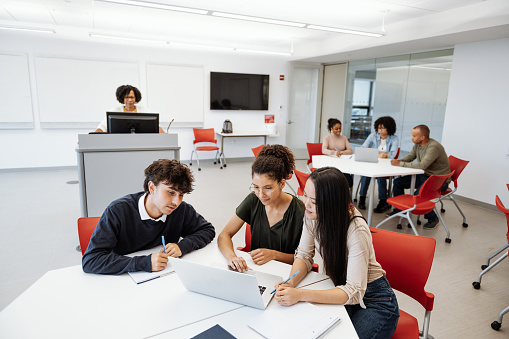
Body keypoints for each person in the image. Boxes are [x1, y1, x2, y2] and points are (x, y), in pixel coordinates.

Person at [274, 167, 399, 339]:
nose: (306, 204)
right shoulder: (313, 215)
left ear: (331, 204)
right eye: (305, 195)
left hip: (375, 300)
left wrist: (300, 295)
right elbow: (303, 255)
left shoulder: (356, 230)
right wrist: (291, 283)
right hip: (340, 288)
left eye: (314, 201)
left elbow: (354, 291)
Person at [82, 159, 215, 275]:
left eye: (181, 195)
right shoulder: (118, 211)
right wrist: (144, 262)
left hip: (163, 278)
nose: (176, 201)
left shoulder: (181, 210)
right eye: (170, 192)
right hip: (124, 282)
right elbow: (91, 260)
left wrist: (182, 246)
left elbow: (207, 230)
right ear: (152, 188)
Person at [218, 144, 305, 272]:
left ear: (282, 183)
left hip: (286, 276)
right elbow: (224, 235)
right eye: (256, 187)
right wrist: (231, 257)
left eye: (268, 188)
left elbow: (305, 259)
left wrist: (274, 255)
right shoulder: (253, 200)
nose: (260, 194)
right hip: (255, 271)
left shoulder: (299, 212)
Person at [387, 124, 451, 230]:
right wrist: (398, 161)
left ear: (422, 137)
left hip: (438, 180)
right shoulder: (417, 144)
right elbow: (410, 157)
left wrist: (400, 164)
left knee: (419, 195)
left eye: (414, 136)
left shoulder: (433, 147)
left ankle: (433, 218)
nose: (411, 138)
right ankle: (400, 210)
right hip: (425, 175)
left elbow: (423, 165)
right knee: (398, 182)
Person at [358, 116, 399, 212]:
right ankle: (362, 198)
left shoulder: (394, 138)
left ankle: (383, 201)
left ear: (389, 128)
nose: (379, 130)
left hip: (386, 166)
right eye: (378, 128)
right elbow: (363, 148)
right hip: (372, 163)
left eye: (382, 128)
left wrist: (375, 153)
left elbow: (392, 155)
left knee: (381, 176)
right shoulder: (373, 136)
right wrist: (382, 154)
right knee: (366, 174)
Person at [95, 84, 165, 133]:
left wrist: (165, 135)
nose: (129, 100)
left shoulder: (144, 110)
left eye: (132, 97)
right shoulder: (115, 111)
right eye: (126, 97)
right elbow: (102, 127)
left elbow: (156, 127)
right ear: (122, 98)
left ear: (136, 98)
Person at [322, 118, 353, 187]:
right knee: (335, 182)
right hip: (330, 164)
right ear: (331, 128)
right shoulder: (327, 138)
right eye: (336, 128)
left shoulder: (344, 138)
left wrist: (341, 152)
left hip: (343, 164)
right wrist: (334, 153)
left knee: (349, 182)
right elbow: (324, 150)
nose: (339, 130)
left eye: (340, 128)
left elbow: (350, 151)